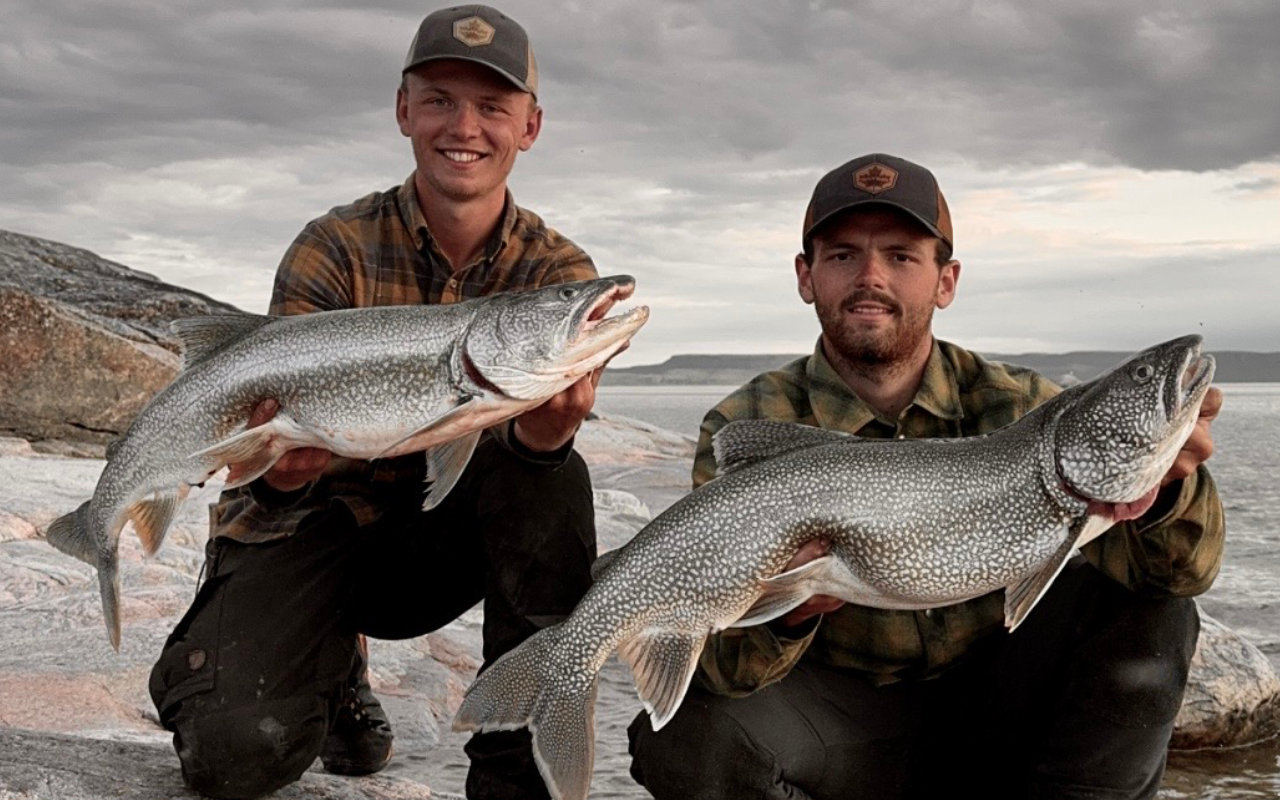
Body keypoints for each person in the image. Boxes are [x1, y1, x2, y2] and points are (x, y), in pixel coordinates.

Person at [627, 153, 1226, 799]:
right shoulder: (751, 423)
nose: (871, 277)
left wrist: (1164, 490)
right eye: (842, 256)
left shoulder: (1025, 407)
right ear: (806, 277)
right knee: (684, 735)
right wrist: (789, 612)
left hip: (999, 707)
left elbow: (1182, 577)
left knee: (1154, 615)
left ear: (946, 280)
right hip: (841, 721)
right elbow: (722, 669)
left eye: (902, 255)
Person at [148, 6, 604, 799]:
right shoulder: (334, 245)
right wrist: (284, 470)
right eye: (438, 100)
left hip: (436, 543)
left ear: (530, 127)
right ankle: (326, 659)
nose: (464, 126)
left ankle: (516, 766)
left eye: (493, 106)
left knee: (555, 476)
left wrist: (542, 443)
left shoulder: (555, 272)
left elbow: (521, 472)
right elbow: (263, 462)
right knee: (233, 758)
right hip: (314, 523)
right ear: (403, 111)